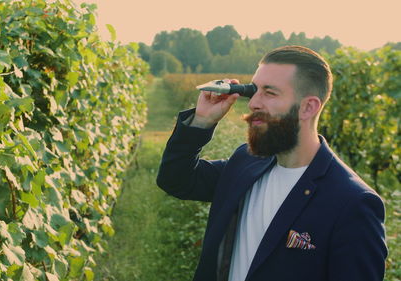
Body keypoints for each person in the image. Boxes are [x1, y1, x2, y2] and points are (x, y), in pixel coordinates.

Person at [156, 45, 388, 281]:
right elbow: (175, 179)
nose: (253, 103)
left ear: (308, 107)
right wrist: (202, 120)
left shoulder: (352, 204)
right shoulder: (246, 162)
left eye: (270, 93)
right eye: (254, 91)